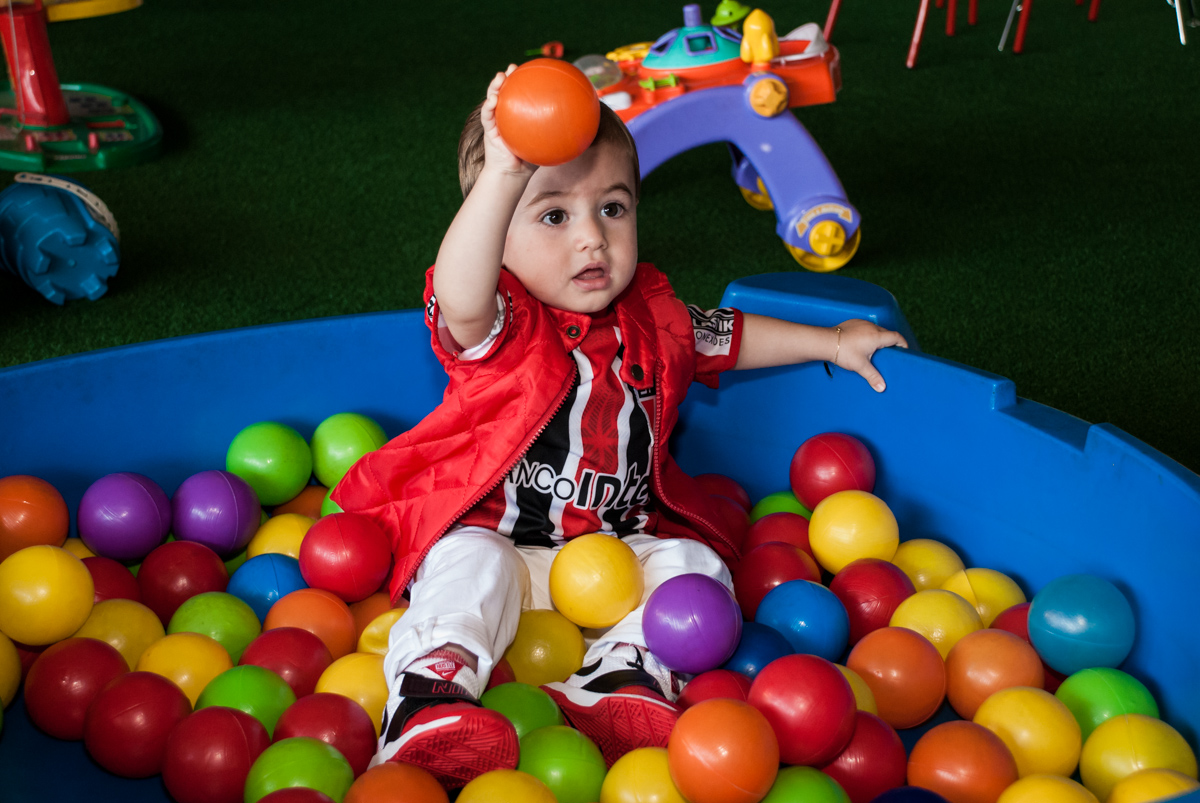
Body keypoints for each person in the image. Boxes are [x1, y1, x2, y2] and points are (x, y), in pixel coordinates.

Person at [331, 65, 908, 789]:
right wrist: (504, 173)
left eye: (613, 208)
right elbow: (458, 290)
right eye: (552, 216)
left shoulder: (653, 318)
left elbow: (729, 335)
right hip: (501, 545)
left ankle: (618, 676)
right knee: (465, 568)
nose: (591, 241)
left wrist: (830, 342)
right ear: (498, 233)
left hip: (610, 555)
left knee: (696, 567)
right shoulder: (502, 326)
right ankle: (429, 696)